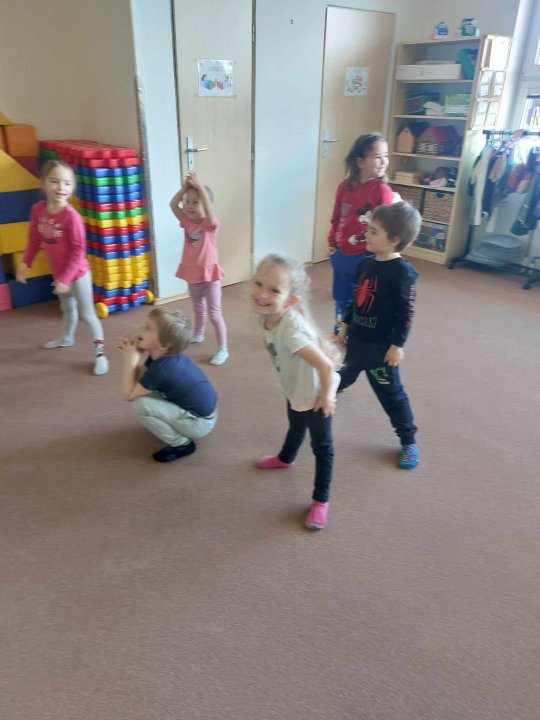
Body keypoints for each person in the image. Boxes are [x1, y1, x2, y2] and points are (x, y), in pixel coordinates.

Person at [252, 253, 342, 530]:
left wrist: (326, 396)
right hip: (296, 387)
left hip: (316, 395)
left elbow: (326, 366)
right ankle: (285, 458)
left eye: (274, 290)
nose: (262, 294)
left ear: (290, 300)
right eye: (259, 284)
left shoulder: (293, 332)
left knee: (322, 448)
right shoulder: (267, 317)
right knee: (295, 425)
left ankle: (321, 500)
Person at [337, 201, 421, 469]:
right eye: (368, 229)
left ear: (394, 239)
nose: (366, 234)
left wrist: (397, 345)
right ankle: (327, 393)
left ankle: (408, 441)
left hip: (379, 350)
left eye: (374, 232)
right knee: (343, 374)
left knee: (391, 395)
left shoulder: (402, 273)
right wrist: (345, 325)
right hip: (357, 340)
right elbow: (356, 300)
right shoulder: (365, 264)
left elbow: (406, 313)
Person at [16, 160, 108, 375]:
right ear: (44, 183)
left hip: (78, 274)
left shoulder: (71, 217)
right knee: (67, 309)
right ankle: (67, 338)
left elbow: (78, 252)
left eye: (67, 183)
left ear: (72, 187)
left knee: (88, 314)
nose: (61, 188)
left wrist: (66, 279)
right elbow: (34, 239)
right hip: (59, 275)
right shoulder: (38, 210)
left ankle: (101, 355)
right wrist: (25, 263)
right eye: (55, 181)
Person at [117, 307, 217, 463]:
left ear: (163, 344)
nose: (141, 329)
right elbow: (140, 380)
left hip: (199, 423)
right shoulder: (161, 357)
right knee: (145, 392)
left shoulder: (162, 369)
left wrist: (130, 359)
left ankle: (182, 444)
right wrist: (135, 355)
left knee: (140, 405)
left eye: (147, 327)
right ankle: (177, 425)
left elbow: (129, 394)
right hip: (203, 413)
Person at [328, 132, 394, 336]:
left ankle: (359, 333)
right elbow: (336, 217)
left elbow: (387, 227)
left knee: (365, 299)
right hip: (342, 253)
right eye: (378, 157)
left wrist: (384, 255)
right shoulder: (344, 188)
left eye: (386, 156)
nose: (384, 161)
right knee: (341, 297)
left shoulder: (382, 191)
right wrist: (332, 243)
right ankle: (340, 330)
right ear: (360, 162)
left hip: (367, 255)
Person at [169, 172, 229, 366]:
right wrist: (185, 189)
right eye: (187, 202)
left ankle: (223, 348)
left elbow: (209, 209)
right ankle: (199, 332)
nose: (189, 206)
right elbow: (173, 205)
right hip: (193, 274)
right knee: (198, 307)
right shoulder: (187, 222)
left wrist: (199, 186)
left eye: (196, 202)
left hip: (210, 276)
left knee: (214, 313)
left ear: (206, 205)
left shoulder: (210, 224)